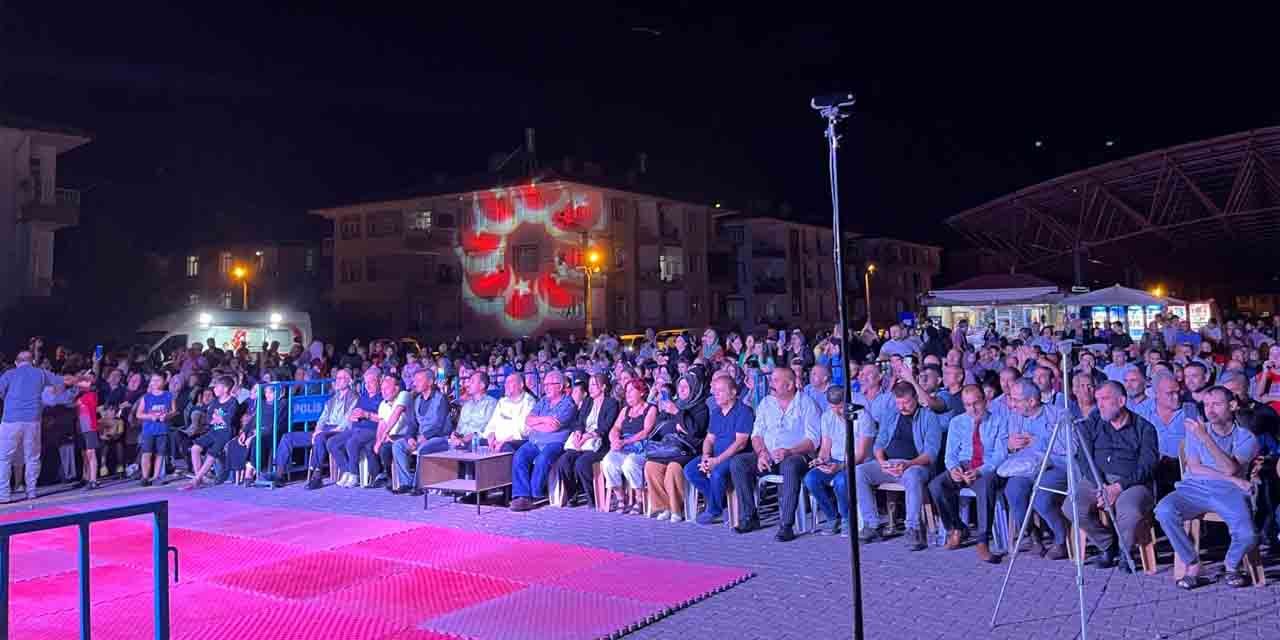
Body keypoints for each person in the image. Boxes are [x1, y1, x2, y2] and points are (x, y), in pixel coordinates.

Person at [1155, 386, 1260, 588]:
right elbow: (1194, 467)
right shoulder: (1196, 431)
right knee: (1164, 510)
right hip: (1194, 488)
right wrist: (1236, 480)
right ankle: (1193, 563)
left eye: (1217, 404)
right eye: (1206, 405)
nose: (1209, 410)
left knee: (1248, 535)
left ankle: (1231, 565)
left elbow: (1229, 468)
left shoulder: (1246, 438)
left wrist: (1205, 438)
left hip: (1228, 493)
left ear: (1232, 405)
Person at [1062, 381, 1159, 570]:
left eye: (1105, 399)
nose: (1100, 404)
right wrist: (1100, 485)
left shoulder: (1144, 428)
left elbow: (1148, 465)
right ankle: (1107, 544)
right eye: (1098, 399)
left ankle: (1125, 551)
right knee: (1071, 506)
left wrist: (1118, 487)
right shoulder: (1093, 423)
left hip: (1132, 482)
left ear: (1121, 401)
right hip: (1096, 480)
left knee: (1129, 510)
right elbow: (1083, 457)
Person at [731, 367, 821, 542]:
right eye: (771, 380)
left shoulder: (807, 403)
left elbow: (813, 440)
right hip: (769, 455)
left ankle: (786, 525)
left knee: (790, 465)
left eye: (775, 380)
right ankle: (749, 518)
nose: (771, 384)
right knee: (738, 463)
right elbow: (756, 434)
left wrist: (789, 451)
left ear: (789, 385)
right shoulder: (766, 403)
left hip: (797, 455)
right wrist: (761, 453)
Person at [855, 381, 944, 550]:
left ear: (916, 399)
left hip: (916, 465)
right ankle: (871, 524)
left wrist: (909, 464)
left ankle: (913, 528)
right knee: (859, 472)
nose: (902, 407)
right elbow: (879, 443)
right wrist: (881, 461)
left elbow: (931, 453)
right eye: (899, 402)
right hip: (890, 463)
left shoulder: (928, 417)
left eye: (906, 402)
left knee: (912, 475)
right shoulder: (891, 414)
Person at [928, 385, 1008, 562]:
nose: (973, 409)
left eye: (976, 403)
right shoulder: (957, 422)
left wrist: (980, 471)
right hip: (964, 465)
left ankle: (982, 541)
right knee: (936, 485)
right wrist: (954, 468)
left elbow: (1000, 455)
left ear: (985, 401)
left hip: (986, 467)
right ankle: (956, 527)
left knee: (986, 485)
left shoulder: (1000, 421)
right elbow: (950, 454)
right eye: (967, 405)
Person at [266, 368, 357, 489]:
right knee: (288, 437)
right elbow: (322, 418)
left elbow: (346, 423)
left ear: (349, 381)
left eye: (341, 378)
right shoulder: (332, 400)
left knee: (320, 437)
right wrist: (318, 430)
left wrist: (323, 432)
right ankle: (279, 474)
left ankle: (317, 476)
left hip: (338, 432)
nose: (338, 381)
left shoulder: (354, 398)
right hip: (323, 430)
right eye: (337, 378)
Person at [685, 374, 754, 525]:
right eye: (714, 390)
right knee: (691, 470)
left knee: (717, 473)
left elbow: (740, 443)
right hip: (715, 454)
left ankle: (714, 510)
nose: (715, 394)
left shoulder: (744, 411)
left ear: (733, 392)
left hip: (736, 457)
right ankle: (718, 500)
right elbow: (709, 439)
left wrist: (716, 461)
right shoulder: (716, 412)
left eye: (720, 391)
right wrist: (705, 456)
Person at [803, 386, 870, 536]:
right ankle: (832, 517)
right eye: (833, 407)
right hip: (835, 459)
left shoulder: (862, 417)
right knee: (810, 479)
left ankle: (847, 518)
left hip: (857, 462)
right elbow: (826, 448)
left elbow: (861, 454)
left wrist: (840, 466)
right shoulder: (827, 416)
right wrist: (820, 460)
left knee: (840, 481)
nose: (837, 411)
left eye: (840, 407)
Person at [0, 351, 66, 501]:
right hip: (33, 420)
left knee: (4, 459)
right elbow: (60, 382)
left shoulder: (9, 374)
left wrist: (8, 400)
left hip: (10, 420)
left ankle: (4, 495)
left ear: (17, 362)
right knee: (32, 457)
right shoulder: (41, 373)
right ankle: (31, 491)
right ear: (32, 362)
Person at [644, 371, 710, 522]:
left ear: (694, 388)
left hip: (688, 451)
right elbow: (660, 427)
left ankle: (676, 509)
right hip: (668, 449)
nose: (681, 390)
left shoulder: (701, 408)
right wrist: (678, 423)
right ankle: (664, 506)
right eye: (680, 387)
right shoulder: (674, 404)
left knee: (674, 468)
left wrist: (677, 414)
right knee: (651, 466)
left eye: (686, 387)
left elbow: (695, 431)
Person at [509, 369, 577, 511]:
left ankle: (535, 496)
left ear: (559, 386)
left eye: (549, 384)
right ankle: (522, 495)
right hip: (535, 441)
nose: (545, 387)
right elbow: (528, 420)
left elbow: (553, 428)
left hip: (555, 442)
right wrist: (545, 419)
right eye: (544, 384)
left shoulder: (568, 403)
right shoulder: (543, 401)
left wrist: (537, 424)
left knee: (543, 458)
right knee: (519, 455)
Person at [552, 373, 619, 507]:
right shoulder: (588, 401)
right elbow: (579, 420)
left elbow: (606, 427)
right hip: (583, 441)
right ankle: (573, 493)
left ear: (603, 387)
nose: (590, 388)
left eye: (594, 385)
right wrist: (578, 432)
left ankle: (592, 497)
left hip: (600, 443)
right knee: (563, 462)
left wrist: (588, 436)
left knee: (581, 463)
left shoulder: (611, 403)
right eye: (589, 385)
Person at [388, 370, 450, 492]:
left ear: (430, 382)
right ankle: (406, 483)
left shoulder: (441, 399)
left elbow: (440, 425)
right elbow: (412, 423)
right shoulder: (416, 400)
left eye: (419, 380)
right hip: (420, 437)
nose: (415, 383)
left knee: (423, 449)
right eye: (414, 380)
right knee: (398, 445)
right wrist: (410, 437)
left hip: (439, 438)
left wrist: (425, 436)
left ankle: (419, 485)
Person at [602, 378, 658, 514]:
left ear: (642, 392)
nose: (628, 394)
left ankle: (639, 499)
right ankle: (621, 497)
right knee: (608, 462)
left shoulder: (651, 409)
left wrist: (625, 442)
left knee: (629, 464)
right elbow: (615, 427)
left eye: (632, 390)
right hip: (624, 446)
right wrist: (614, 439)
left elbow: (646, 432)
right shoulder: (625, 410)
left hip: (641, 446)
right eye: (627, 391)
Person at [327, 367, 383, 488]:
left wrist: (366, 415)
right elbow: (354, 412)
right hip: (356, 428)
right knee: (332, 442)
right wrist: (353, 416)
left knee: (352, 442)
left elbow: (384, 419)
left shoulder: (382, 396)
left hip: (372, 430)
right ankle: (346, 470)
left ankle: (354, 475)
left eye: (371, 382)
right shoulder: (363, 396)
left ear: (378, 381)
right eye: (366, 382)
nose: (368, 385)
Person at [184, 375, 239, 490]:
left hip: (225, 433)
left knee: (211, 454)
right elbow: (209, 419)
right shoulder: (214, 402)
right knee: (195, 448)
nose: (214, 389)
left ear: (225, 389)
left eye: (217, 387)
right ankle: (200, 477)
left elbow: (230, 419)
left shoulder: (233, 402)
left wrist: (219, 419)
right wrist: (219, 419)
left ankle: (195, 480)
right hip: (213, 431)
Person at [137, 373, 175, 486]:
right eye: (153, 380)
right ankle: (145, 477)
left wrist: (167, 415)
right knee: (146, 453)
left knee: (160, 454)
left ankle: (156, 476)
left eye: (158, 380)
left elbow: (174, 411)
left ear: (164, 382)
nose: (155, 383)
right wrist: (150, 416)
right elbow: (139, 414)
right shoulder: (146, 397)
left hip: (162, 429)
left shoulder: (169, 395)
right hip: (148, 430)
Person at [484, 374, 535, 453]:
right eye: (505, 382)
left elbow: (522, 430)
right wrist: (491, 440)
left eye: (510, 382)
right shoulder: (502, 401)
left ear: (521, 385)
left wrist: (502, 442)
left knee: (505, 447)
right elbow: (491, 426)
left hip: (517, 441)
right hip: (498, 441)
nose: (506, 385)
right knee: (480, 444)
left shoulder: (528, 401)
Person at [449, 371, 497, 451]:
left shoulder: (491, 403)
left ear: (482, 385)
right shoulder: (466, 405)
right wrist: (455, 435)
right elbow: (459, 428)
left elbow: (486, 429)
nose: (468, 384)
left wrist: (467, 438)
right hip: (461, 440)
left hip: (477, 440)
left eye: (472, 382)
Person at [74, 373, 102, 490]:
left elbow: (81, 403)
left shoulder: (91, 395)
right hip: (81, 428)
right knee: (84, 454)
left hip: (89, 427)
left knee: (91, 453)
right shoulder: (79, 396)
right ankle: (87, 477)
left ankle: (93, 480)